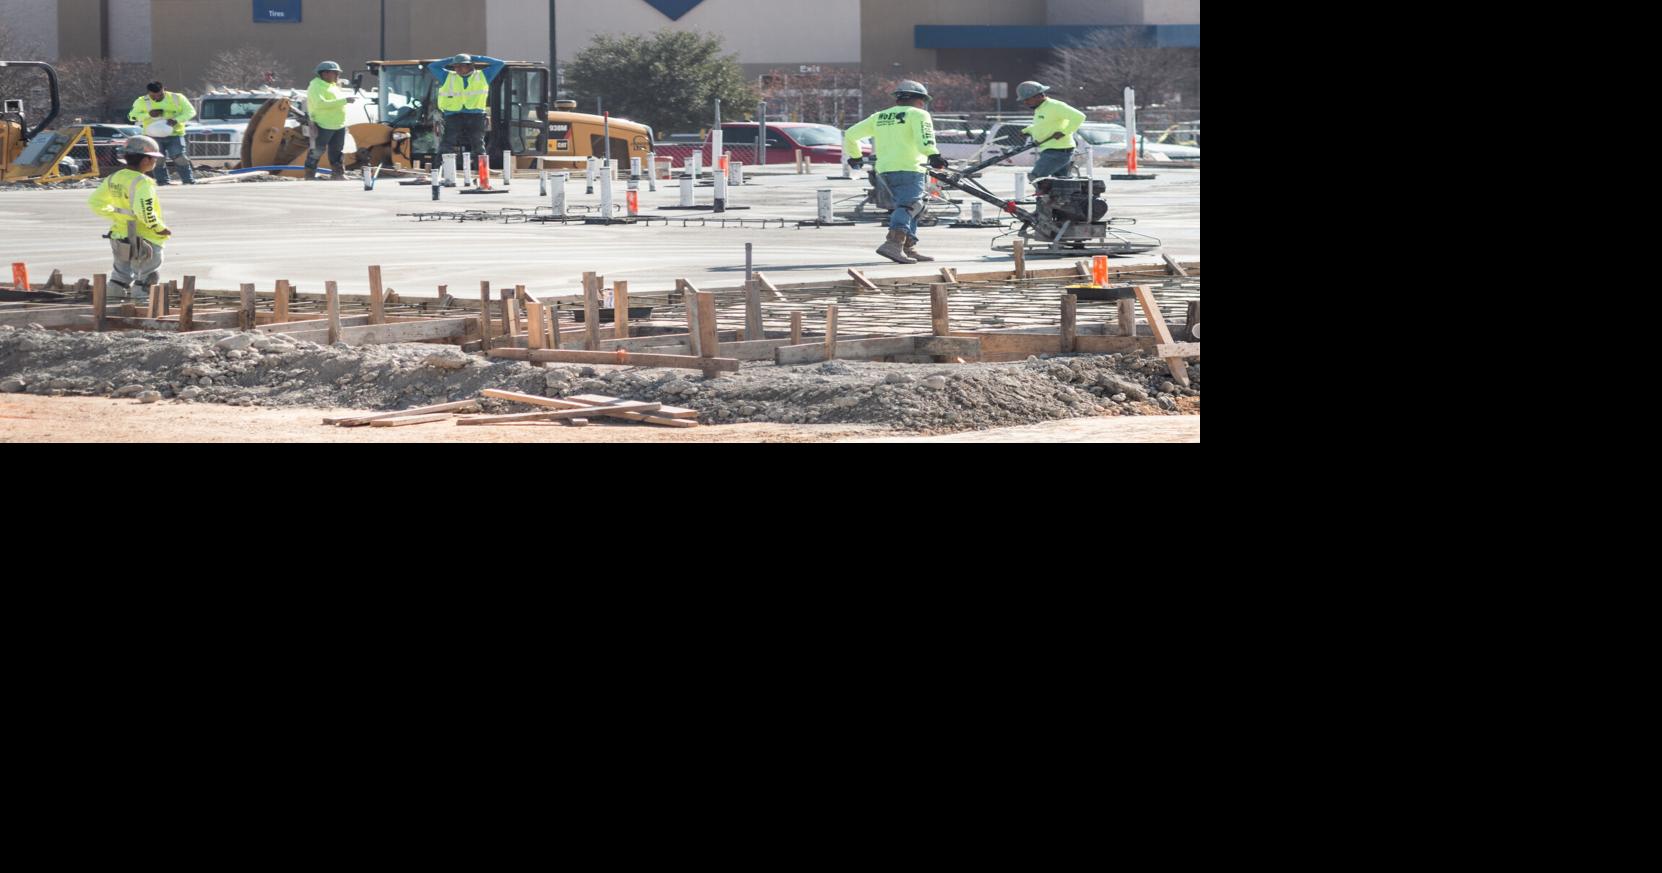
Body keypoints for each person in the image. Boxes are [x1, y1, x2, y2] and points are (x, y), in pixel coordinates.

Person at [842, 80, 949, 264]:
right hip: (909, 167)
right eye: (923, 100)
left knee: (915, 207)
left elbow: (851, 134)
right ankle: (893, 244)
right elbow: (925, 138)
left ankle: (908, 247)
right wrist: (933, 155)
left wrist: (856, 156)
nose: (924, 104)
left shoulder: (880, 117)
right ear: (917, 100)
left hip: (884, 170)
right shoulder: (919, 114)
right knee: (909, 206)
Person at [88, 137, 172, 303]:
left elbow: (95, 202)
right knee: (147, 274)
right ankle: (143, 305)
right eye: (154, 158)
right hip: (145, 238)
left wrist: (115, 215)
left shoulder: (115, 178)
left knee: (121, 274)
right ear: (146, 159)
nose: (155, 161)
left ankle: (111, 303)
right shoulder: (143, 182)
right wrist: (158, 227)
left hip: (120, 235)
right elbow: (144, 210)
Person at [427, 53, 508, 167]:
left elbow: (500, 63)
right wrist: (452, 59)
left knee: (478, 145)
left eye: (461, 65)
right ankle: (438, 170)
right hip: (453, 115)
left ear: (470, 66)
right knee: (447, 143)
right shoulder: (448, 76)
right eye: (455, 66)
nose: (458, 68)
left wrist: (475, 58)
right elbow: (432, 66)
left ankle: (482, 172)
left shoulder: (483, 75)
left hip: (476, 115)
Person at [127, 82, 196, 185]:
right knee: (157, 159)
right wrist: (148, 114)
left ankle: (188, 181)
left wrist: (176, 120)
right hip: (152, 136)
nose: (156, 98)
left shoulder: (177, 98)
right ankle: (163, 182)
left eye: (159, 95)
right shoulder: (141, 101)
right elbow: (131, 116)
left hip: (175, 134)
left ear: (164, 89)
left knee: (179, 157)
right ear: (148, 93)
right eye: (153, 95)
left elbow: (191, 112)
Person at [1018, 81, 1086, 181]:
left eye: (1027, 99)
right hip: (1051, 150)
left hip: (1058, 151)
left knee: (1036, 177)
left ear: (1039, 96)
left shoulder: (1055, 106)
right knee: (1061, 182)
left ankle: (1044, 195)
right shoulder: (1040, 109)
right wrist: (1026, 131)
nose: (1025, 102)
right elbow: (1043, 126)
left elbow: (1079, 117)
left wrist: (1064, 132)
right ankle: (1058, 197)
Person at [305, 61, 358, 180]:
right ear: (324, 73)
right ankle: (309, 175)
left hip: (338, 124)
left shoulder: (333, 86)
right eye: (335, 73)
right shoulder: (315, 86)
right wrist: (345, 100)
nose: (337, 76)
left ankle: (338, 174)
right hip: (322, 124)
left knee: (337, 151)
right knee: (317, 150)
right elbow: (320, 104)